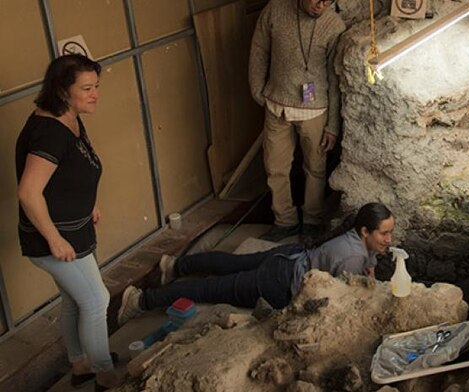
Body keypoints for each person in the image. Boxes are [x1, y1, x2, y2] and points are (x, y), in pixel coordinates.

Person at [16, 54, 120, 390]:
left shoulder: (70, 117)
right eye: (87, 88)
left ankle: (80, 365)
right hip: (55, 238)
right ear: (63, 91)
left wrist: (88, 204)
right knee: (96, 300)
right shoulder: (49, 133)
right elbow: (29, 193)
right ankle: (104, 375)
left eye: (97, 87)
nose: (95, 94)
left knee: (75, 299)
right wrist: (54, 239)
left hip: (74, 228)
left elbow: (71, 170)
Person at [117, 202, 394, 325]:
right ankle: (140, 300)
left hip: (289, 256)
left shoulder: (354, 238)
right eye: (384, 233)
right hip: (280, 283)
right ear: (365, 232)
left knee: (231, 264)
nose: (389, 239)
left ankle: (175, 266)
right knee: (210, 290)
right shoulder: (354, 256)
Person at [248, 0, 346, 241]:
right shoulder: (274, 10)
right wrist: (258, 90)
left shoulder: (334, 25)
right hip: (276, 105)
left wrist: (333, 126)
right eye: (316, 0)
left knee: (315, 167)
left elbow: (335, 79)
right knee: (275, 167)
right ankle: (285, 221)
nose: (321, 5)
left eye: (328, 1)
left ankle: (312, 221)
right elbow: (259, 51)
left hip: (315, 109)